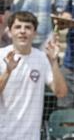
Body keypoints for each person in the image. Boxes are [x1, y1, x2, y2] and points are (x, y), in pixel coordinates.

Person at [0, 11, 68, 140]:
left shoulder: (41, 58)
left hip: (31, 136)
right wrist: (8, 71)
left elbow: (61, 93)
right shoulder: (1, 55)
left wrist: (54, 62)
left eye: (28, 27)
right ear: (10, 31)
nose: (23, 31)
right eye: (18, 27)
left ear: (35, 33)